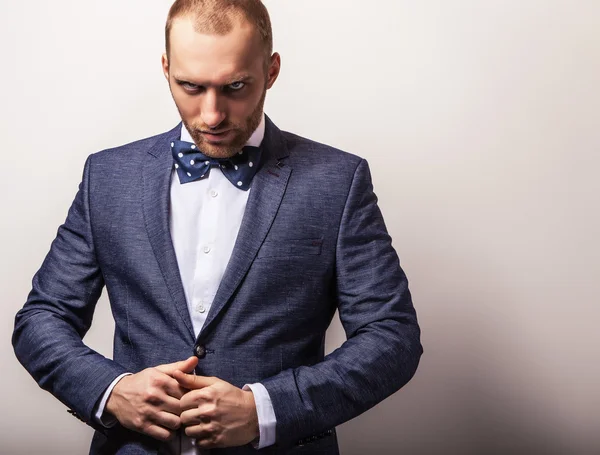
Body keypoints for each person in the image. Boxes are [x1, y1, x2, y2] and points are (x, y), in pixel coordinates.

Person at [12, 1, 422, 454]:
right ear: (166, 69)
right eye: (190, 86)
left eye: (235, 86)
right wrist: (113, 390)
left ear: (272, 70)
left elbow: (392, 338)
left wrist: (265, 409)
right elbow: (41, 319)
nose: (211, 115)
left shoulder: (337, 182)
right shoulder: (108, 177)